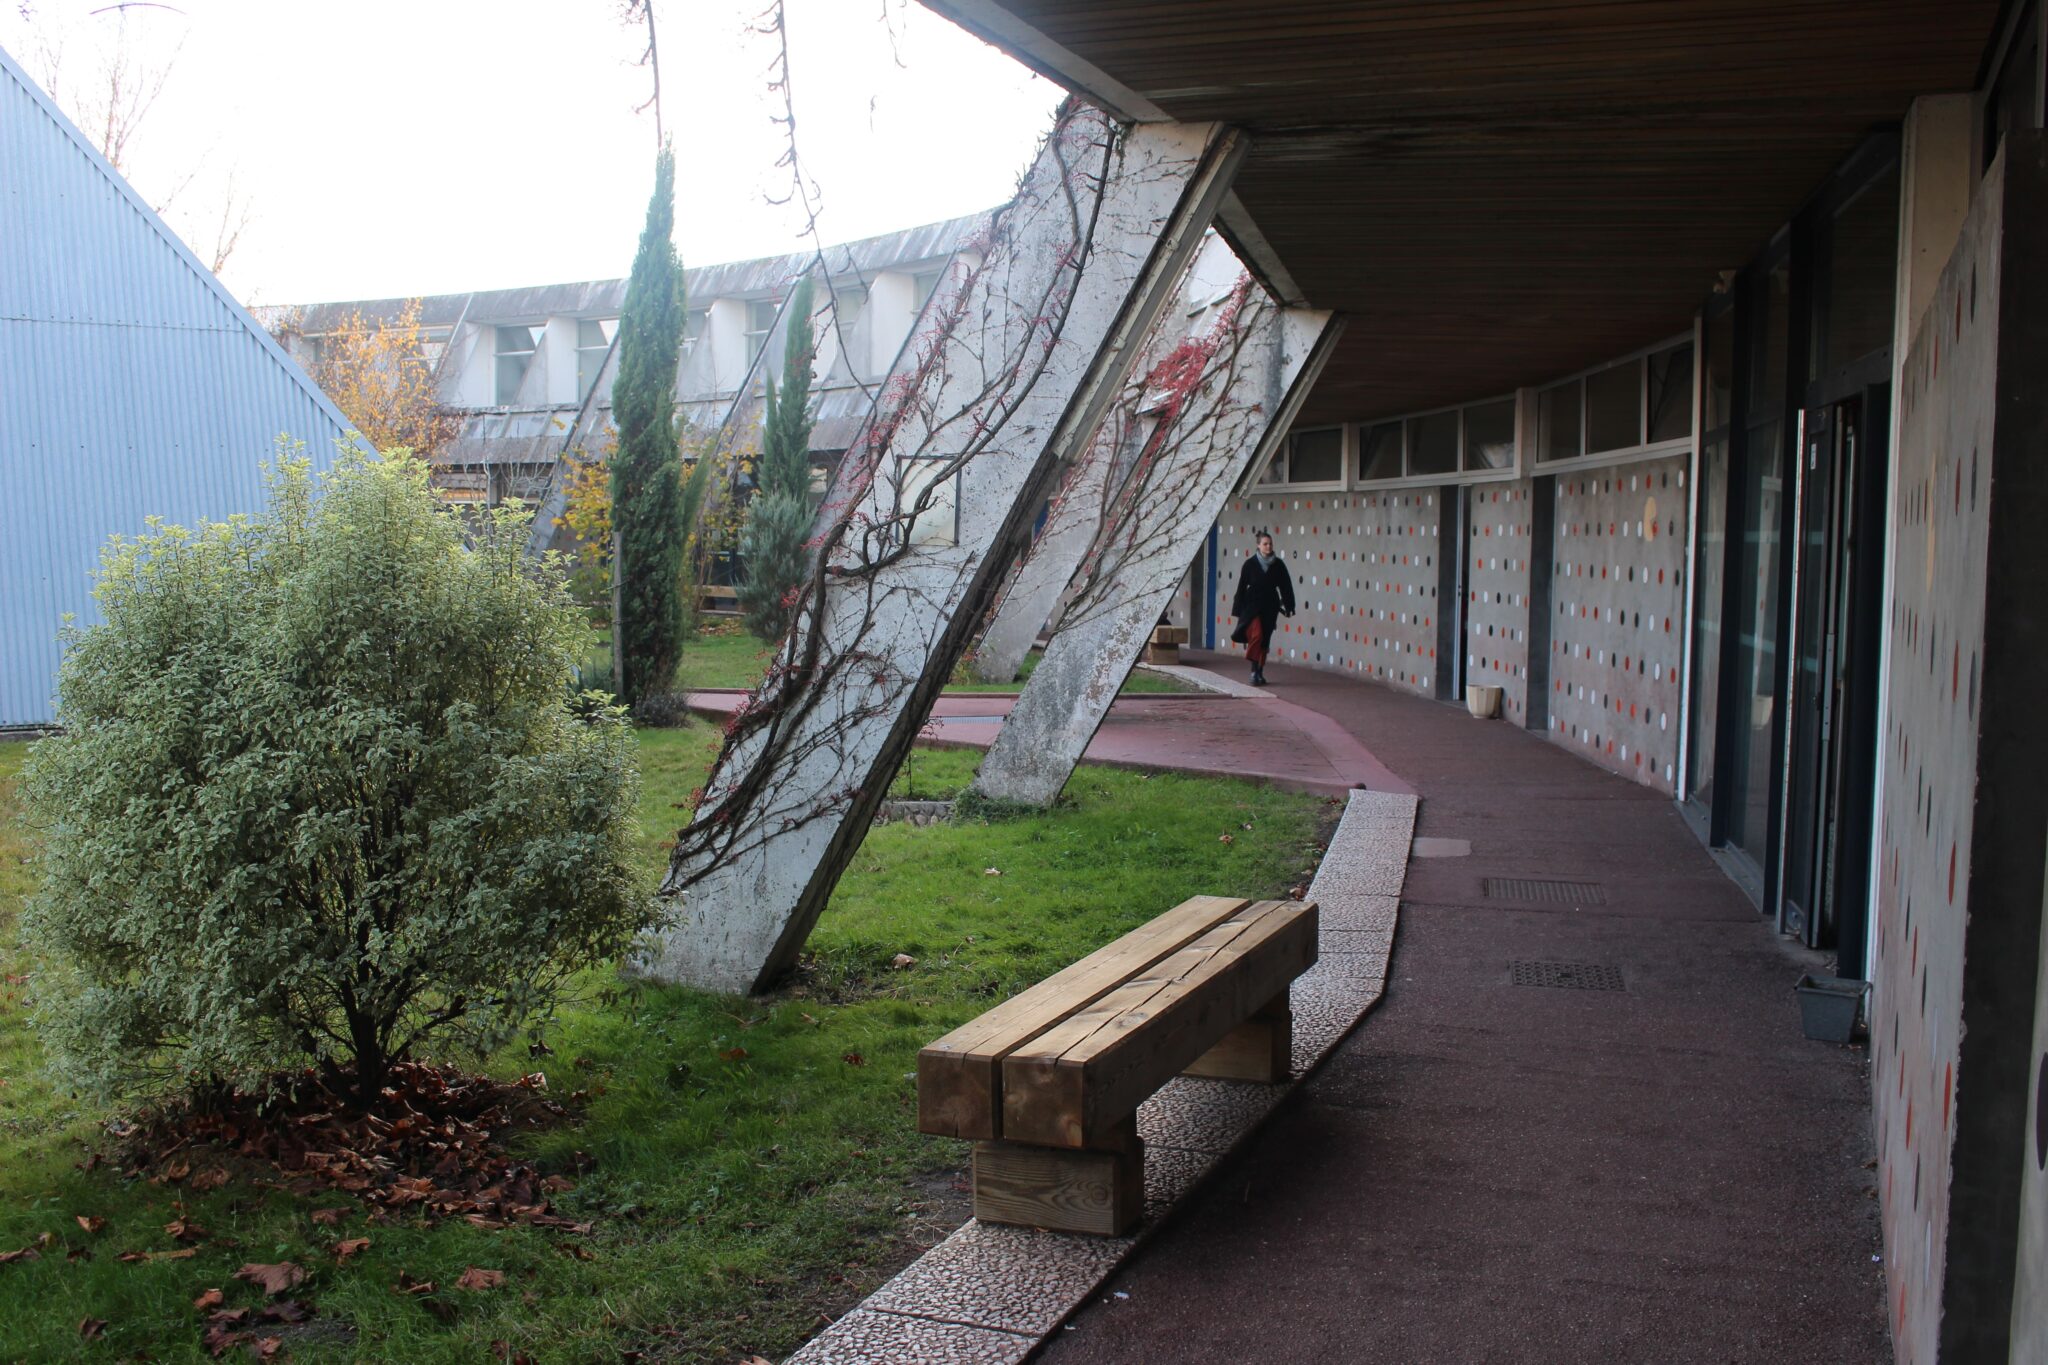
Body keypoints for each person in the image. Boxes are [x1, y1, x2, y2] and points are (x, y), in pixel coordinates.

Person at [1229, 531, 1294, 686]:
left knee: (1265, 640)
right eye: (1265, 544)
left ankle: (1259, 671)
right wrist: (1237, 609)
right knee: (1256, 635)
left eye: (1270, 544)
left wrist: (1289, 605)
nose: (1268, 546)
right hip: (1252, 606)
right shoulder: (1249, 564)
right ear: (1258, 545)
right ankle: (1253, 670)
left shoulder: (1278, 565)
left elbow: (1286, 586)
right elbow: (1241, 587)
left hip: (1271, 606)